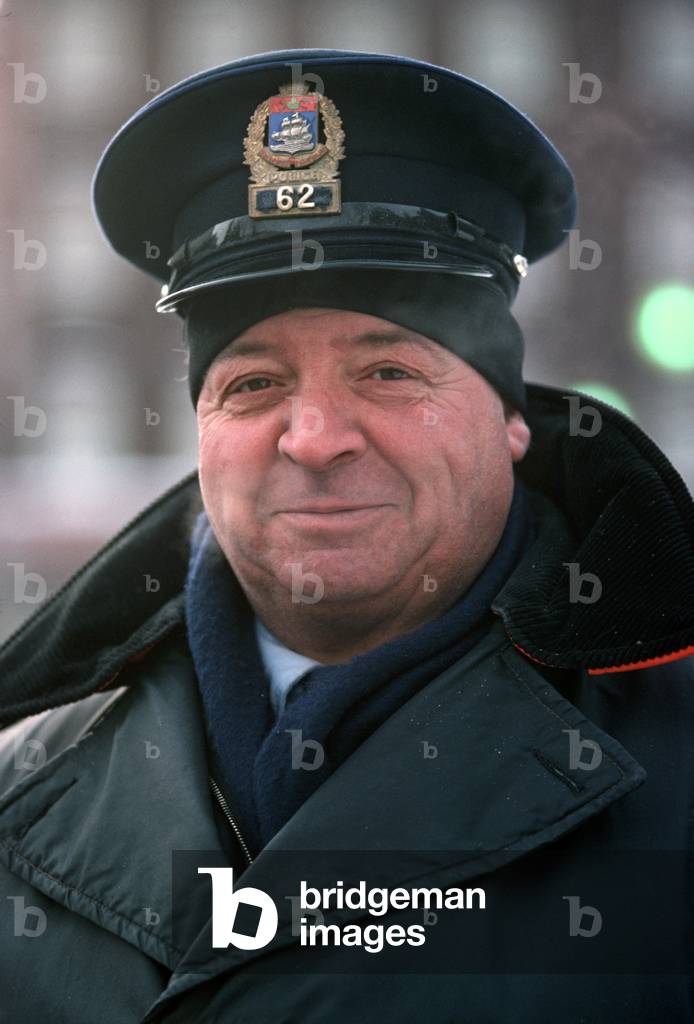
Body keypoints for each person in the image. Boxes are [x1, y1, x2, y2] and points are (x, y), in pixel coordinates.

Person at [0, 49, 692, 1024]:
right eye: (253, 383)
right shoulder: (21, 780)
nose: (315, 438)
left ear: (508, 417)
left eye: (387, 372)